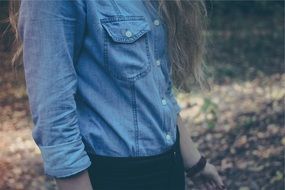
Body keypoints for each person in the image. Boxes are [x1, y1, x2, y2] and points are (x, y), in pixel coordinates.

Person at [8, 0, 225, 189]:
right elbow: (53, 114)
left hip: (168, 168)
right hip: (112, 176)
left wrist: (195, 164)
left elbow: (159, 88)